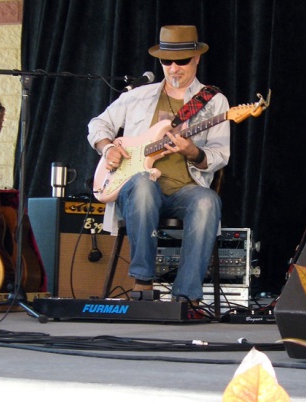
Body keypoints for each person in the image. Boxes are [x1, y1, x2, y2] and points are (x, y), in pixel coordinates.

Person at [87, 25, 230, 306]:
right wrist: (107, 148)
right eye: (167, 61)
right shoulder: (137, 96)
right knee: (142, 184)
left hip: (185, 191)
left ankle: (186, 297)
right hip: (138, 187)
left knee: (208, 201)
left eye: (182, 61)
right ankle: (143, 281)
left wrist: (192, 151)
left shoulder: (214, 102)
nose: (174, 68)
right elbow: (98, 124)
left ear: (197, 58)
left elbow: (219, 155)